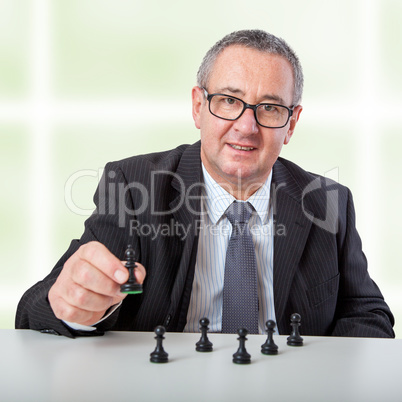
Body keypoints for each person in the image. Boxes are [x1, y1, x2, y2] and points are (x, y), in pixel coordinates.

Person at [16, 29, 394, 338]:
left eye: (270, 108)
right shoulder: (133, 187)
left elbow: (368, 312)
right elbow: (34, 312)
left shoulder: (328, 202)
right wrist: (74, 306)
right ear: (199, 107)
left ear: (291, 124)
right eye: (230, 101)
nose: (247, 127)